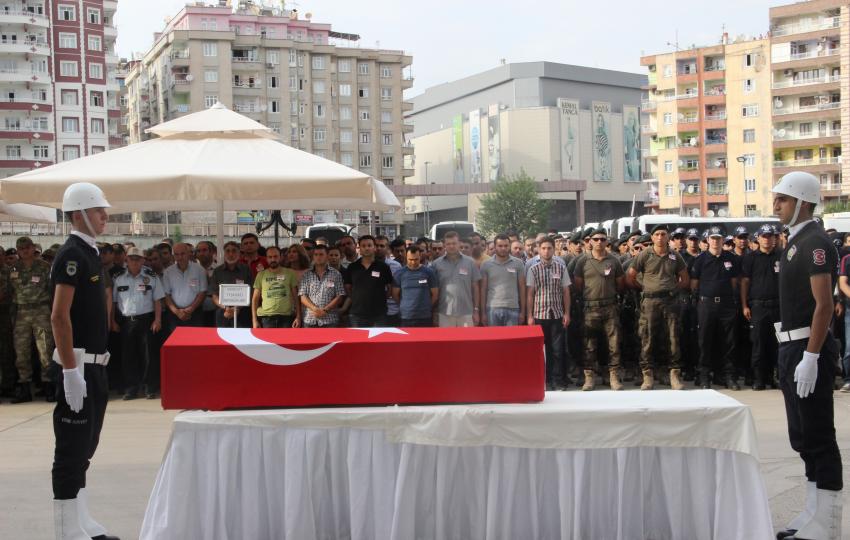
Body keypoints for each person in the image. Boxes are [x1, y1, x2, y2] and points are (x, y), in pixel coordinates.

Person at [772, 171, 843, 540]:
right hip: (791, 346)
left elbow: (824, 306)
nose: (776, 205)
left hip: (806, 346)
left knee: (818, 435)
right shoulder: (795, 242)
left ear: (802, 201)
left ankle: (828, 523)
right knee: (802, 436)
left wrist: (812, 356)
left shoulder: (817, 243)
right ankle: (813, 512)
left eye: (782, 199)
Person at [49, 182, 119, 540]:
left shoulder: (91, 252)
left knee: (86, 448)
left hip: (96, 366)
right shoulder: (72, 255)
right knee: (70, 450)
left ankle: (82, 518)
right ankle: (65, 529)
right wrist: (70, 372)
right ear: (79, 214)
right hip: (77, 364)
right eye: (97, 210)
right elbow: (60, 317)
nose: (105, 215)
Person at [626, 224, 689, 390]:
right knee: (647, 338)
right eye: (657, 234)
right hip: (650, 303)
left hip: (670, 302)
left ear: (668, 237)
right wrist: (645, 288)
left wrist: (673, 290)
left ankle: (674, 374)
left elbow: (685, 279)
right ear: (652, 237)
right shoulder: (644, 255)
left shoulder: (675, 256)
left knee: (673, 338)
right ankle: (648, 375)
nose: (660, 237)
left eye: (663, 234)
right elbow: (630, 276)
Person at [573, 229, 625, 391]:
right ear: (590, 241)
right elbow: (578, 285)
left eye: (603, 239)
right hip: (590, 307)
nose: (599, 242)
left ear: (606, 241)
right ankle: (589, 377)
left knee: (614, 343)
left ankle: (614, 377)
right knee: (589, 344)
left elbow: (621, 284)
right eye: (596, 239)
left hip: (610, 307)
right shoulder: (582, 261)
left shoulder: (614, 261)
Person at [690, 226, 740, 390]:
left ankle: (727, 376)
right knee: (705, 340)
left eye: (718, 238)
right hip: (706, 304)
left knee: (728, 341)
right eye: (713, 238)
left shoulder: (730, 258)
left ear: (723, 240)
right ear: (708, 240)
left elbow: (734, 283)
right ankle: (704, 376)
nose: (716, 241)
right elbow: (694, 285)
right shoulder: (701, 259)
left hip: (726, 304)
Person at [111, 247, 164, 400]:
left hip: (146, 320)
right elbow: (113, 302)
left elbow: (157, 300)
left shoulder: (151, 276)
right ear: (126, 260)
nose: (134, 261)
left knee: (148, 355)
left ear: (142, 260)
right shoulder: (118, 277)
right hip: (126, 321)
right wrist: (112, 320)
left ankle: (149, 387)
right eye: (131, 258)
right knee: (128, 356)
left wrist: (158, 319)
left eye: (137, 258)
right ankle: (131, 388)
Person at [9, 236, 56, 403]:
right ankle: (24, 387)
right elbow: (10, 293)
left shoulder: (44, 267)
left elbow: (53, 291)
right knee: (21, 352)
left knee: (45, 350)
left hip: (40, 311)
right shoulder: (13, 268)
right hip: (21, 313)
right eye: (21, 249)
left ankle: (49, 385)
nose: (24, 251)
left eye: (27, 248)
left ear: (32, 248)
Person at [527, 237, 571, 390]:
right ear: (539, 249)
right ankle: (543, 380)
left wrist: (567, 313)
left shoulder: (561, 267)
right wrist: (530, 316)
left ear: (554, 249)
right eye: (543, 248)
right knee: (541, 351)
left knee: (557, 350)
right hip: (539, 315)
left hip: (556, 314)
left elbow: (566, 292)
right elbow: (530, 294)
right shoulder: (533, 269)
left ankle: (557, 380)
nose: (546, 251)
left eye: (549, 248)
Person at [741, 224, 781, 391]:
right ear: (758, 238)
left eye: (770, 236)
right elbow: (745, 282)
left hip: (778, 307)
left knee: (777, 344)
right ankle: (758, 378)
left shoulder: (782, 256)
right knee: (758, 343)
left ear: (774, 238)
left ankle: (775, 377)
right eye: (764, 236)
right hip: (758, 306)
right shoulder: (751, 258)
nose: (767, 239)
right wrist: (744, 305)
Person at [432, 231, 481, 327]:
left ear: (459, 244)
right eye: (448, 244)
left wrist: (476, 310)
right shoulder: (436, 264)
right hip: (444, 312)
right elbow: (434, 290)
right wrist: (435, 312)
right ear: (445, 245)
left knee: (467, 342)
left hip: (466, 312)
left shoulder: (470, 262)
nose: (451, 246)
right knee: (447, 342)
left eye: (454, 243)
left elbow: (475, 287)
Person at [343, 235, 393, 327]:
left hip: (379, 313)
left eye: (369, 245)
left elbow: (390, 288)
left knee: (378, 341)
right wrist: (356, 298)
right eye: (363, 246)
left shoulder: (383, 267)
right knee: (358, 340)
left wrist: (380, 299)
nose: (366, 248)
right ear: (359, 249)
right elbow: (348, 287)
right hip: (357, 313)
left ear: (374, 248)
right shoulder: (352, 267)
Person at [480, 234, 526, 326]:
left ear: (509, 246)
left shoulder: (518, 263)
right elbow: (483, 290)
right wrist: (483, 313)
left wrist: (523, 312)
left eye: (506, 246)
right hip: (492, 308)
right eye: (500, 246)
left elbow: (522, 288)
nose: (503, 248)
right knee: (494, 339)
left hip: (513, 308)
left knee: (511, 339)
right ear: (495, 246)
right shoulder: (486, 265)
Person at [251, 246, 301, 328]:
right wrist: (254, 320)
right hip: (266, 318)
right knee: (268, 341)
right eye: (270, 257)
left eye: (275, 256)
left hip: (286, 317)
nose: (273, 259)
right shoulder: (261, 275)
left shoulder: (290, 273)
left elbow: (296, 297)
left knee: (285, 341)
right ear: (266, 258)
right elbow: (255, 299)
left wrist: (298, 317)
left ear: (280, 257)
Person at [162, 243, 208, 331]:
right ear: (173, 256)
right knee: (176, 343)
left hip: (195, 313)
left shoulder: (200, 270)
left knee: (195, 342)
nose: (180, 257)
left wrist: (191, 308)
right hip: (174, 314)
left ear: (188, 254)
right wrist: (176, 311)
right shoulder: (168, 272)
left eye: (182, 254)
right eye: (176, 254)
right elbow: (166, 294)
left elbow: (203, 292)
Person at [298, 245, 345, 328]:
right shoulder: (306, 275)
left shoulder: (336, 274)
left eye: (321, 254)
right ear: (313, 257)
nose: (318, 257)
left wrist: (325, 310)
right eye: (316, 255)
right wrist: (315, 309)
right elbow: (302, 296)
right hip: (310, 319)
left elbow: (340, 295)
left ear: (327, 256)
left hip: (330, 319)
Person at [392, 246, 439, 327]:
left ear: (420, 257)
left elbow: (435, 294)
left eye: (416, 259)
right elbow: (395, 294)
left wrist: (427, 306)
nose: (413, 262)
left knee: (425, 339)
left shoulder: (429, 272)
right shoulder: (399, 273)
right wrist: (405, 305)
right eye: (410, 260)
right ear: (406, 257)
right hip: (406, 316)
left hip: (425, 316)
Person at [209, 241, 252, 328]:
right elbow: (214, 295)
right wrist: (226, 308)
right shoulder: (217, 271)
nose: (231, 254)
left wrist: (237, 308)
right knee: (223, 340)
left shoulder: (246, 270)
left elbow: (250, 293)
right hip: (223, 313)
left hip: (242, 313)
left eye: (234, 251)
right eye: (228, 251)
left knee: (242, 340)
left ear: (239, 253)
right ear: (224, 254)